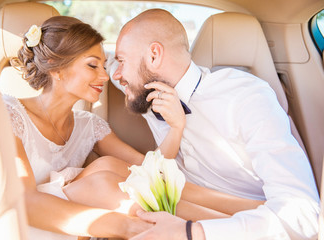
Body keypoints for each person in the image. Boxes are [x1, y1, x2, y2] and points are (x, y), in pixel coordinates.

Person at [5, 15, 262, 240]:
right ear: (57, 70)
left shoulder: (91, 126)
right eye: (92, 65)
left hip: (83, 226)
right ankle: (244, 228)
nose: (106, 77)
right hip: (34, 226)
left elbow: (152, 170)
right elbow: (25, 202)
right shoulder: (9, 114)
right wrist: (128, 227)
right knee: (104, 178)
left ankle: (257, 210)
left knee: (119, 169)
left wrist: (176, 127)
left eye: (105, 66)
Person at [110, 9, 320, 239]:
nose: (118, 74)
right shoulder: (146, 89)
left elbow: (304, 215)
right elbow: (108, 67)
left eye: (121, 61)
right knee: (104, 172)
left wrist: (192, 232)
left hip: (245, 229)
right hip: (181, 210)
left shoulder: (247, 98)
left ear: (154, 56)